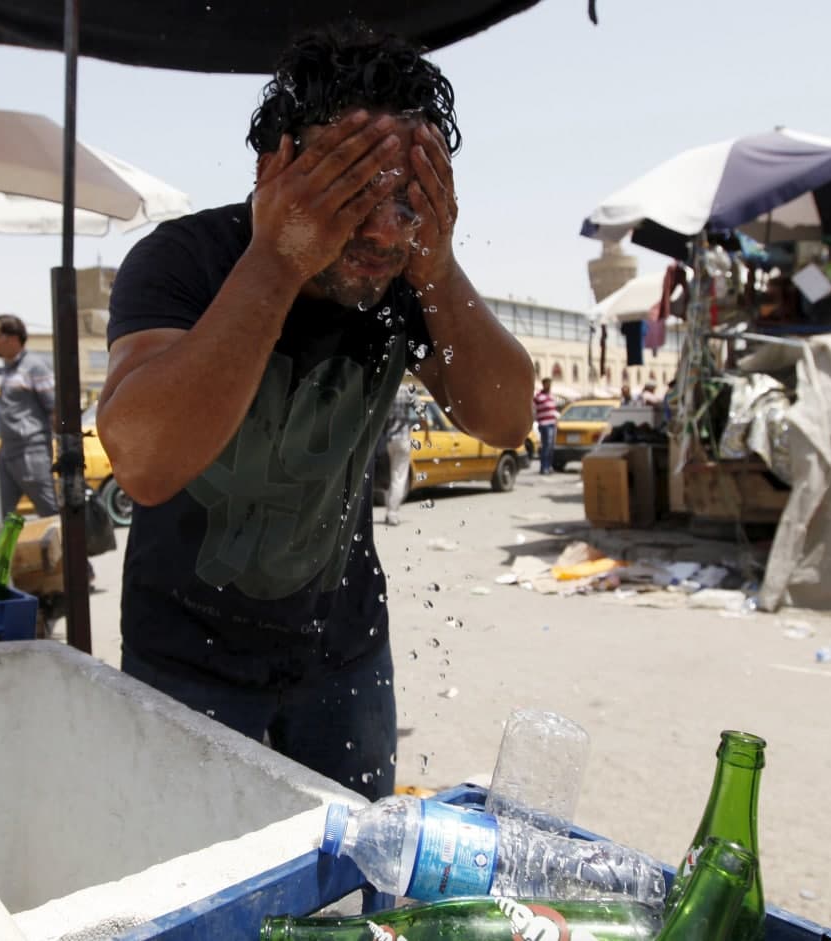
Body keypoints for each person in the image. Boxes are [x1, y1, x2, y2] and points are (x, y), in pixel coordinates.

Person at [96, 22, 533, 799]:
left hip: (344, 656)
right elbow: (144, 461)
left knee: (353, 867)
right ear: (276, 170)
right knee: (188, 861)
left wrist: (437, 266)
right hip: (184, 657)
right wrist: (278, 259)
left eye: (406, 199)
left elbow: (505, 419)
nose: (381, 231)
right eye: (351, 191)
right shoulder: (188, 259)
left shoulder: (408, 276)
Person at [0, 314, 59, 518]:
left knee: (49, 511)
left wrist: (64, 445)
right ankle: (4, 542)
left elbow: (55, 408)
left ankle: (64, 540)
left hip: (30, 450)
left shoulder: (35, 367)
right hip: (7, 450)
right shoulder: (8, 369)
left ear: (12, 338)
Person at [382, 381, 415, 527]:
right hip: (403, 439)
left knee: (392, 475)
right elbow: (420, 409)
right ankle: (392, 513)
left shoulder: (388, 389)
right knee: (399, 478)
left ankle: (389, 510)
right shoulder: (407, 391)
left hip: (389, 440)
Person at [533, 377, 559, 474]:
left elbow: (553, 410)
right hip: (544, 424)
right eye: (547, 384)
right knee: (546, 446)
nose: (549, 386)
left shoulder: (551, 396)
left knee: (551, 446)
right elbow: (533, 408)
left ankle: (549, 466)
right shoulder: (538, 397)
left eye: (550, 384)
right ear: (543, 385)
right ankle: (544, 467)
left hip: (552, 423)